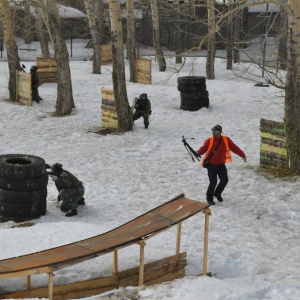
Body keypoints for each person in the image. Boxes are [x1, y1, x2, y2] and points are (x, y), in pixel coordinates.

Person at [197, 125, 247, 205]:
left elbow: (234, 148)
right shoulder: (209, 140)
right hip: (211, 165)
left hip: (221, 165)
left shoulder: (226, 140)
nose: (214, 133)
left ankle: (217, 193)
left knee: (224, 180)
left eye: (216, 132)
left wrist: (242, 155)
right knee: (213, 182)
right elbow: (203, 148)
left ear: (220, 132)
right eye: (213, 131)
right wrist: (198, 152)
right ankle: (209, 198)